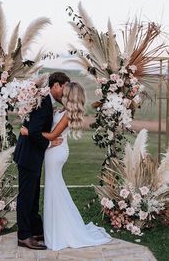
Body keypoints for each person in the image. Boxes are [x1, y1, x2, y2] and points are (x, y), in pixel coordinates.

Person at [21, 82, 111, 251]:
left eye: (65, 93)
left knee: (54, 189)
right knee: (54, 189)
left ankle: (61, 231)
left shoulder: (68, 114)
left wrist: (29, 132)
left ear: (70, 96)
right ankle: (54, 228)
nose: (61, 94)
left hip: (56, 151)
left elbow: (54, 135)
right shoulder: (61, 110)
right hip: (52, 151)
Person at [13, 72, 70, 250]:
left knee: (33, 195)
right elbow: (35, 131)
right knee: (26, 197)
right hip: (29, 155)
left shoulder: (46, 102)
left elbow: (32, 129)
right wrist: (49, 142)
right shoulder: (44, 104)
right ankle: (24, 236)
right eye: (64, 88)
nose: (65, 93)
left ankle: (35, 230)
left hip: (32, 155)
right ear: (55, 86)